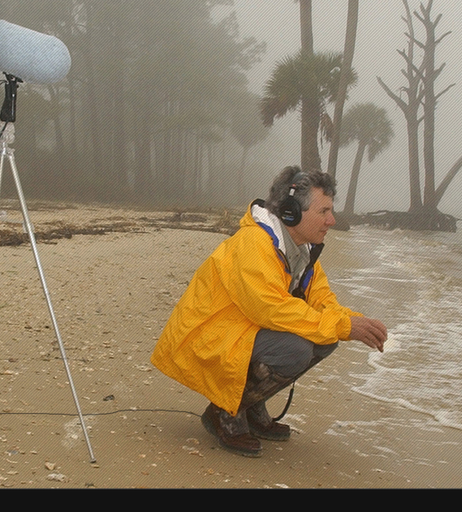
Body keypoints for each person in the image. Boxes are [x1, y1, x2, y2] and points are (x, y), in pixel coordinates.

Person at [151, 166, 388, 457]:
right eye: (324, 211)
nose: (332, 220)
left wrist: (352, 320)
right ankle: (225, 410)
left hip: (242, 330)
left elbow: (322, 299)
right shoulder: (255, 243)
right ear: (291, 212)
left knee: (326, 337)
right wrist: (341, 325)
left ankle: (250, 406)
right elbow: (268, 308)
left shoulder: (303, 249)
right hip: (209, 335)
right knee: (296, 349)